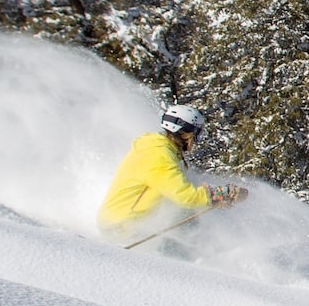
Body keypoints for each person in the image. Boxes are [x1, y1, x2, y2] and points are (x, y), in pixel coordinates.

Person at [97, 104, 247, 243]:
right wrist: (221, 193)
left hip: (130, 224)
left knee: (193, 228)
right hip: (123, 228)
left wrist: (215, 198)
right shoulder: (159, 155)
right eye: (197, 134)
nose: (197, 140)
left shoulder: (164, 149)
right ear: (185, 133)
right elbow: (186, 196)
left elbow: (178, 190)